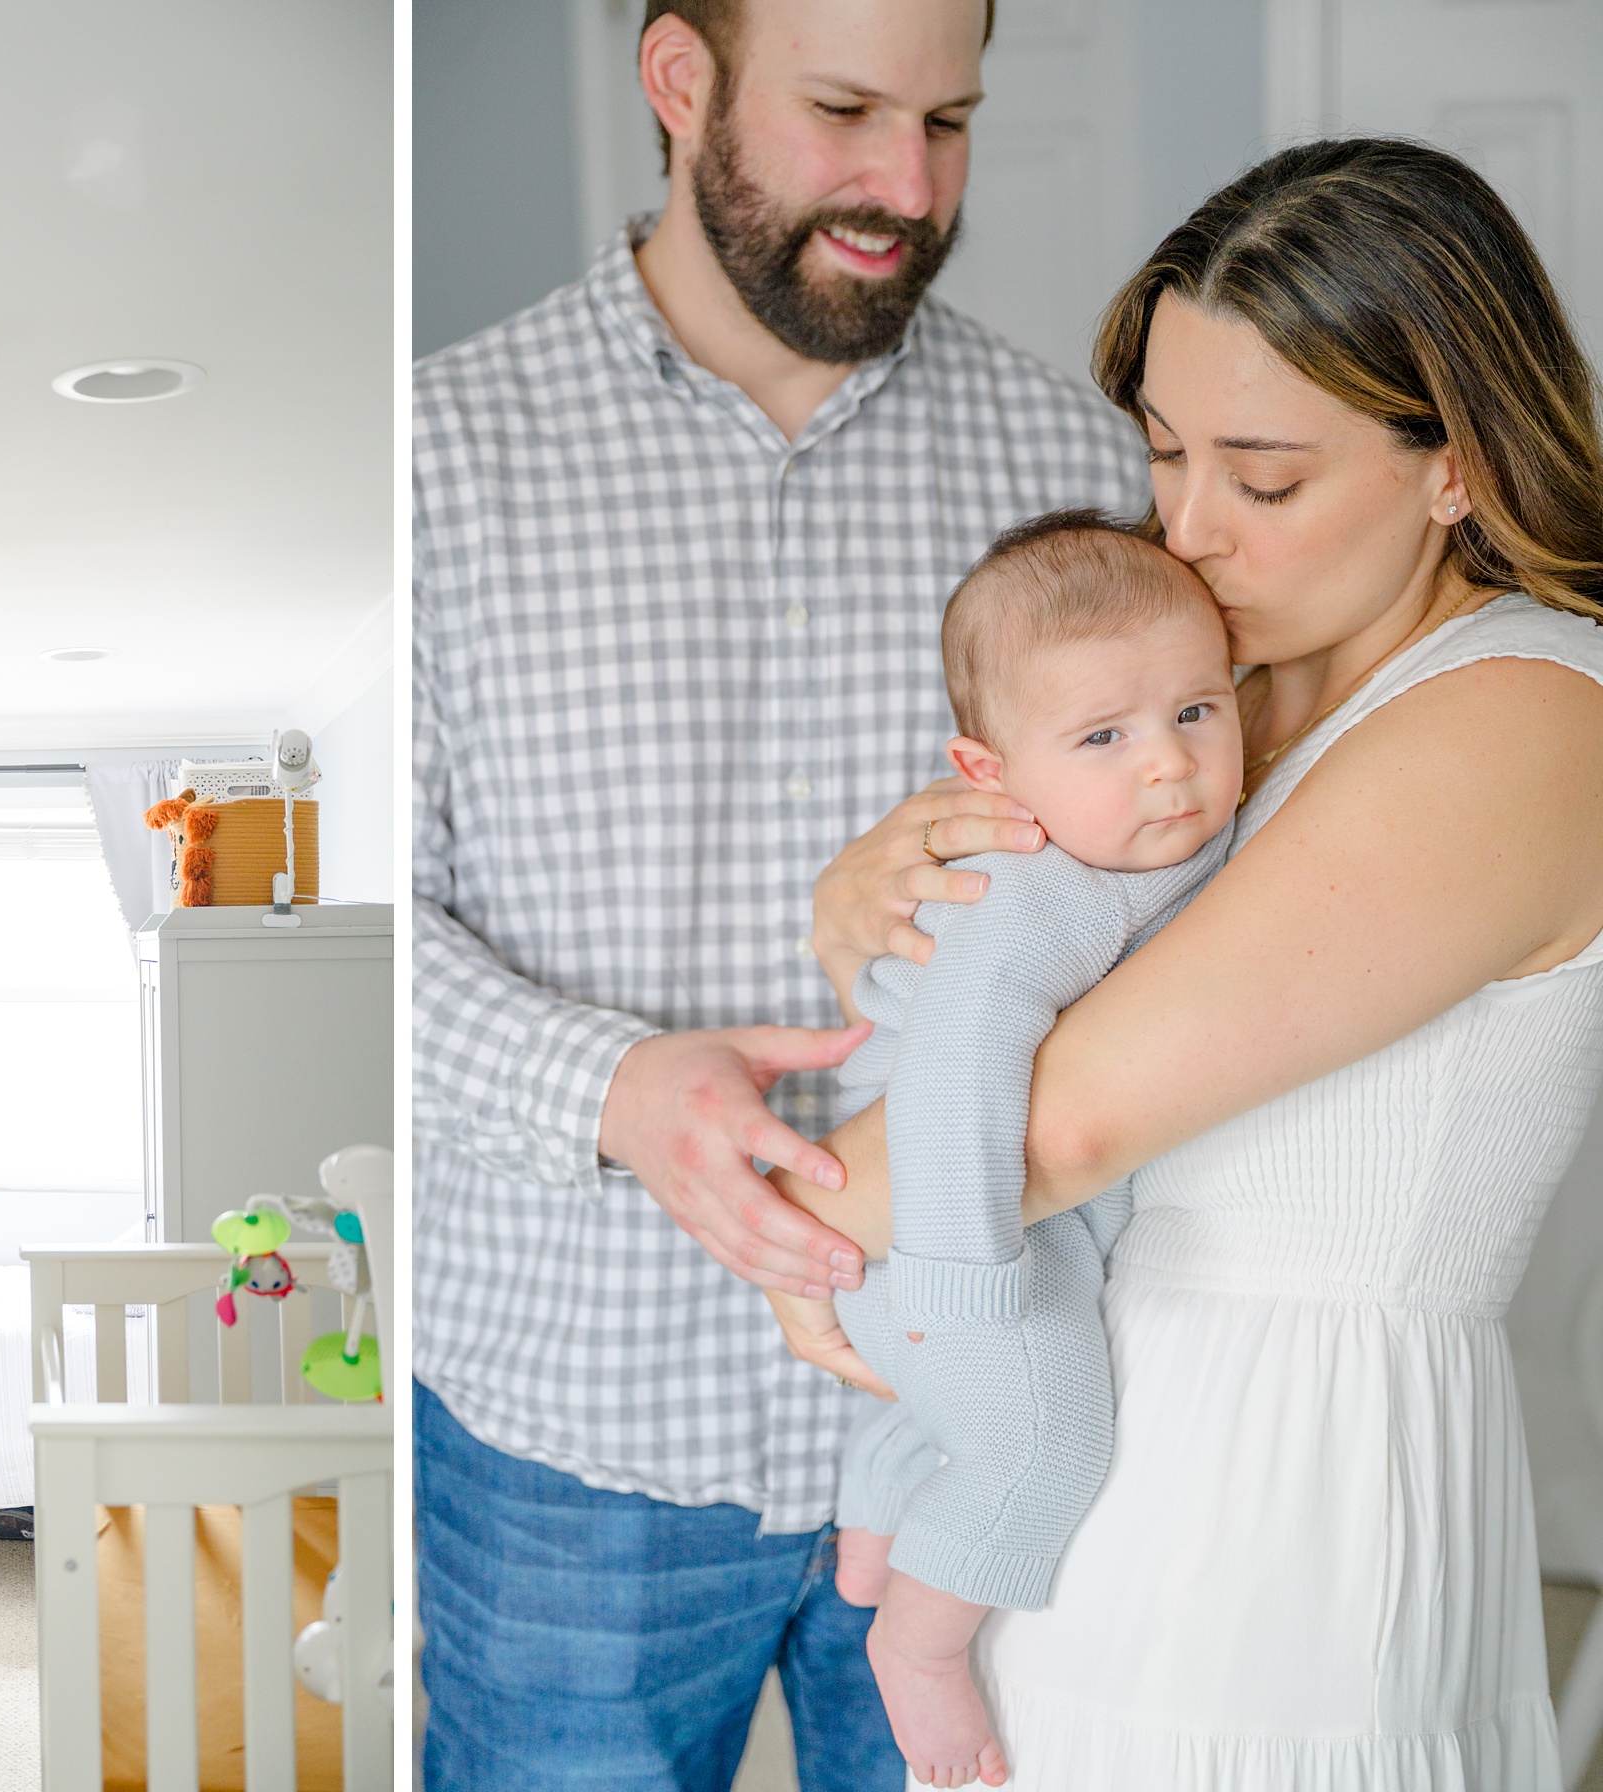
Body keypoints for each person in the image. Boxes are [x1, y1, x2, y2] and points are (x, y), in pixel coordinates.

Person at [775, 137, 1603, 1786]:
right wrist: (865, 902)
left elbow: (1060, 1120)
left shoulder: (1532, 712)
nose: (1190, 531)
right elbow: (1006, 957)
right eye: (1162, 454)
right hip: (1091, 1431)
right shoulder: (1221, 707)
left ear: (1457, 463)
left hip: (1285, 1488)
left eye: (1264, 475)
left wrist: (794, 1214)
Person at [411, 0, 1147, 1780]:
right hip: (575, 1431)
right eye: (844, 111)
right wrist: (609, 1089)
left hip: (987, 1415)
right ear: (679, 83)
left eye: (950, 120)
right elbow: (374, 928)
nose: (907, 183)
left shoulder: (1091, 473)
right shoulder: (437, 460)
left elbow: (1195, 887)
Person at [797, 514, 1238, 1787]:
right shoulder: (1035, 891)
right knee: (1042, 1442)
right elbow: (948, 1087)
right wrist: (960, 1278)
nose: (1167, 766)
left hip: (964, 1235)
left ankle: (877, 1525)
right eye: (1104, 737)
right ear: (988, 773)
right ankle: (920, 1648)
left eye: (1197, 712)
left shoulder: (1163, 842)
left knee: (940, 1424)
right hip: (940, 1240)